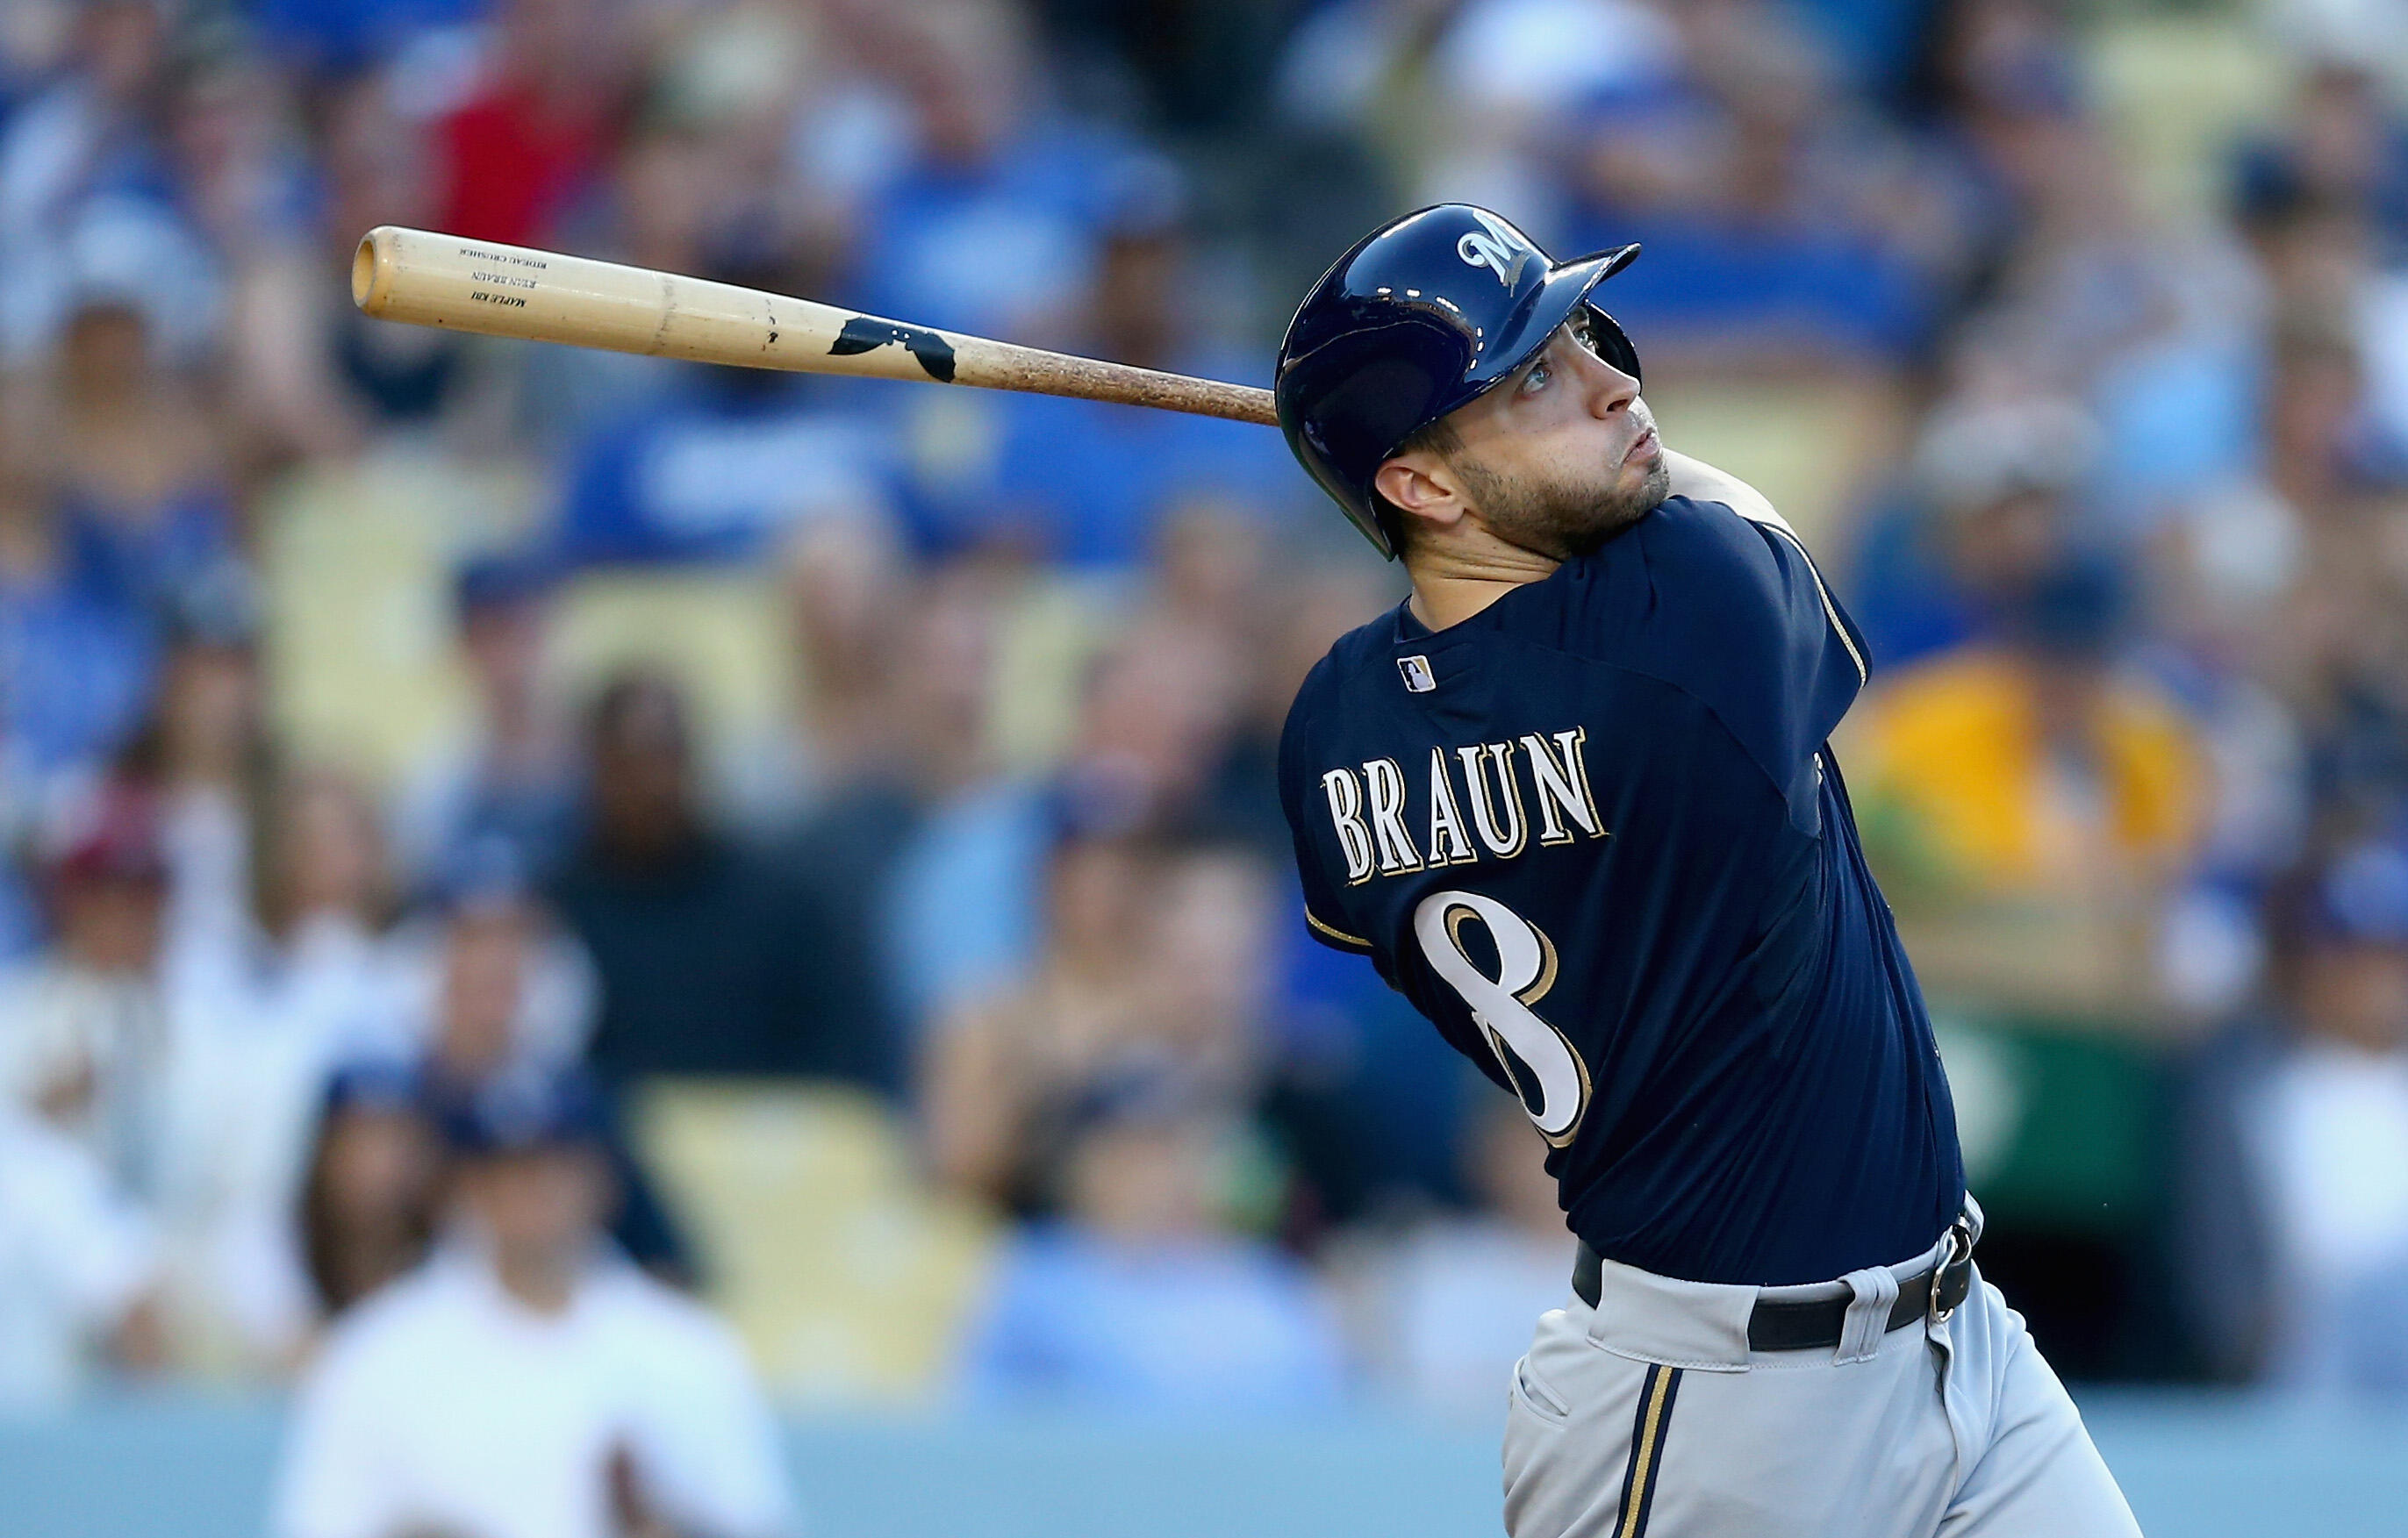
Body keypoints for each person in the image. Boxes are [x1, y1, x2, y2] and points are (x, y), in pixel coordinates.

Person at [1270, 204, 2137, 1536]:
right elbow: (1707, 503)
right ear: (1424, 484)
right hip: (1718, 1416)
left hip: (1950, 1343)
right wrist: (1576, 470)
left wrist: (1479, 462)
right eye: (1535, 379)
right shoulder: (1690, 619)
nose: (1618, 383)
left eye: (1585, 341)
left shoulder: (1333, 725)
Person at [273, 1064, 793, 1538]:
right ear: (467, 1186)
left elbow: (753, 1519)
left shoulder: (689, 1350)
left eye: (553, 1169)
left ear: (602, 1178)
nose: (531, 1195)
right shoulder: (375, 1354)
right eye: (507, 1172)